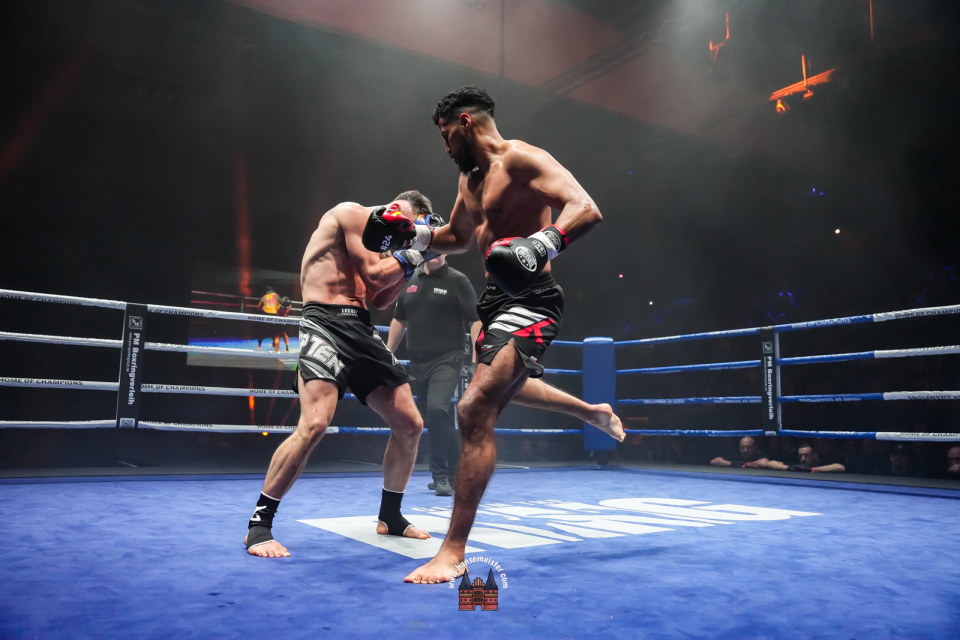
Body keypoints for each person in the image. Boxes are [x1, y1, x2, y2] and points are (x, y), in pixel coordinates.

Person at [362, 86, 625, 583]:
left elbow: (585, 207)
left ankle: (453, 550)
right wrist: (413, 236)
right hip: (495, 302)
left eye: (446, 135)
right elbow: (459, 238)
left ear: (465, 122)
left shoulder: (522, 159)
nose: (445, 148)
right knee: (507, 388)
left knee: (474, 407)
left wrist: (542, 243)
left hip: (532, 298)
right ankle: (592, 411)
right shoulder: (469, 179)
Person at [243, 191, 441, 558]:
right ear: (400, 209)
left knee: (410, 423)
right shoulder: (352, 214)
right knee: (315, 424)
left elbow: (379, 297)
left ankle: (390, 516)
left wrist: (411, 260)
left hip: (360, 327)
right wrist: (419, 250)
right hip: (324, 322)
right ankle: (259, 524)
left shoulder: (386, 246)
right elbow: (375, 275)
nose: (408, 236)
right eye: (410, 227)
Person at [386, 241, 481, 497]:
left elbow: (475, 320)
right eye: (431, 249)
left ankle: (440, 475)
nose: (436, 254)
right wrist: (387, 354)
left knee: (438, 409)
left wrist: (476, 360)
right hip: (418, 362)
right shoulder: (410, 279)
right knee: (434, 417)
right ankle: (456, 470)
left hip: (447, 359)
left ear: (447, 251)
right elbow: (399, 319)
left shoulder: (457, 280)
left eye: (440, 249)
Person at [765, 443, 845, 473]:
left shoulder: (821, 464)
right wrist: (789, 468)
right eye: (800, 456)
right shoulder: (797, 465)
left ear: (814, 456)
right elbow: (770, 463)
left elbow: (840, 467)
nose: (803, 458)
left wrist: (812, 469)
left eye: (806, 455)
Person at [257, 286, 283, 352]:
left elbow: (259, 307)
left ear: (267, 291)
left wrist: (263, 308)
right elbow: (282, 304)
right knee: (276, 333)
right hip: (275, 315)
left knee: (261, 332)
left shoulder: (264, 297)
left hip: (266, 315)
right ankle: (275, 351)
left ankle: (259, 347)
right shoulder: (277, 296)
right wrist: (278, 307)